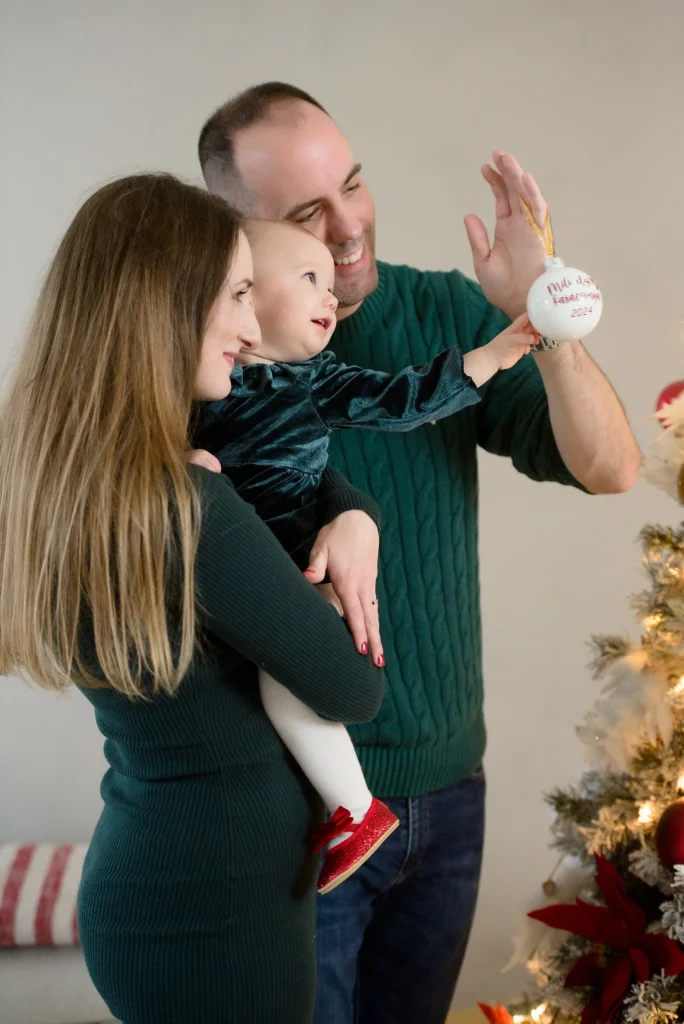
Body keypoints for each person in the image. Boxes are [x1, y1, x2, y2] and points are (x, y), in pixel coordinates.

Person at [197, 83, 641, 1024]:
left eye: (352, 184)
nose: (347, 225)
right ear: (234, 238)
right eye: (306, 213)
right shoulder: (203, 370)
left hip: (447, 792)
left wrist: (541, 316)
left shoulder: (443, 314)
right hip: (295, 808)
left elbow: (612, 468)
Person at [0, 172, 386, 1024]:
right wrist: (337, 557)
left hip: (157, 884)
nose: (253, 330)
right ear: (168, 305)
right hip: (221, 915)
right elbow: (353, 688)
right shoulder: (188, 510)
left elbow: (294, 478)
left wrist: (352, 514)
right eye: (241, 295)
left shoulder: (64, 482)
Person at [190, 216, 540, 895]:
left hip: (297, 562)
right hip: (238, 577)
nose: (331, 296)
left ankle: (355, 807)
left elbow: (399, 398)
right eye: (309, 279)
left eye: (329, 280)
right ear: (241, 296)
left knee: (285, 682)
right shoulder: (206, 380)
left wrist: (493, 355)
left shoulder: (313, 378)